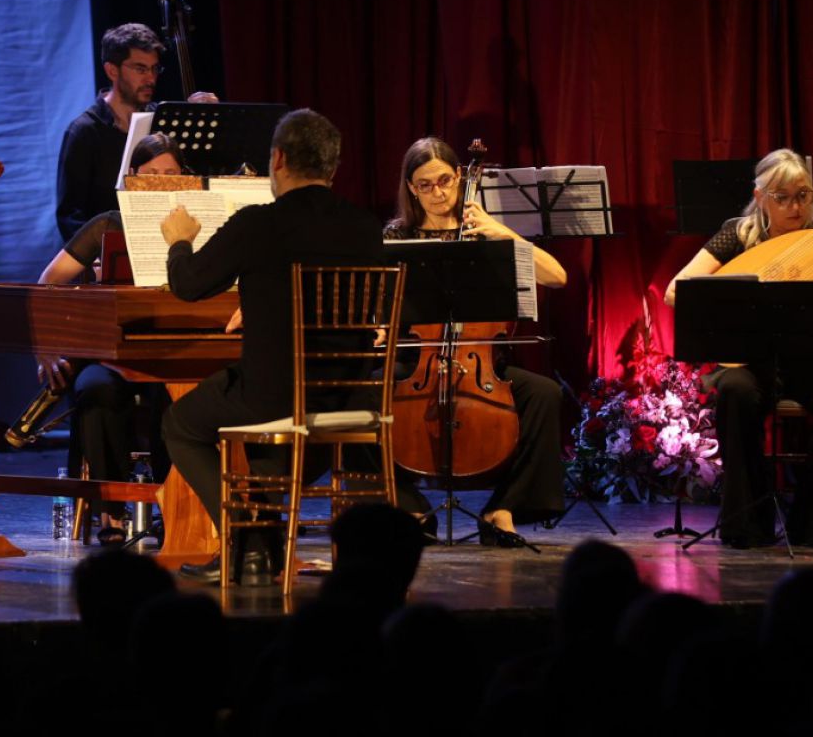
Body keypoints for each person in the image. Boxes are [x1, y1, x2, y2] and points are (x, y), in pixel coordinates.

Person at [157, 109, 383, 583]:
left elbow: (190, 286)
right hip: (349, 394)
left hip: (275, 395)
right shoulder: (365, 227)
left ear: (277, 159)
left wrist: (179, 243)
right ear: (333, 167)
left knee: (180, 422)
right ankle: (261, 552)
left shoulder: (259, 223)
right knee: (260, 426)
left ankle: (243, 541)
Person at [663, 149, 813, 549]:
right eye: (782, 196)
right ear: (760, 196)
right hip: (751, 361)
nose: (795, 206)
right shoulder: (737, 233)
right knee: (735, 391)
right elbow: (675, 292)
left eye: (803, 195)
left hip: (812, 365)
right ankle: (746, 522)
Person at [382, 137, 568, 544]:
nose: (438, 192)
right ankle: (408, 505)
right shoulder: (398, 237)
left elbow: (557, 276)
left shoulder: (486, 235)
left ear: (460, 177)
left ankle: (502, 508)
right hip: (417, 359)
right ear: (411, 188)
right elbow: (381, 305)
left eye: (445, 181)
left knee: (544, 393)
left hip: (481, 361)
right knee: (363, 392)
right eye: (425, 185)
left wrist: (502, 232)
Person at [31, 132, 184, 543]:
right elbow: (48, 283)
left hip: (176, 354)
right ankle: (110, 513)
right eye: (153, 174)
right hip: (112, 356)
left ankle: (177, 509)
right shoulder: (107, 225)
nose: (164, 182)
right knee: (94, 389)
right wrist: (45, 346)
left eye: (172, 174)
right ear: (132, 177)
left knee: (179, 397)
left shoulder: (198, 227)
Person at [54, 22, 166, 241]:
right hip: (107, 256)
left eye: (154, 69)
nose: (150, 79)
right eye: (140, 69)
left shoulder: (161, 122)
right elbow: (70, 214)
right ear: (112, 70)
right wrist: (93, 259)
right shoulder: (84, 132)